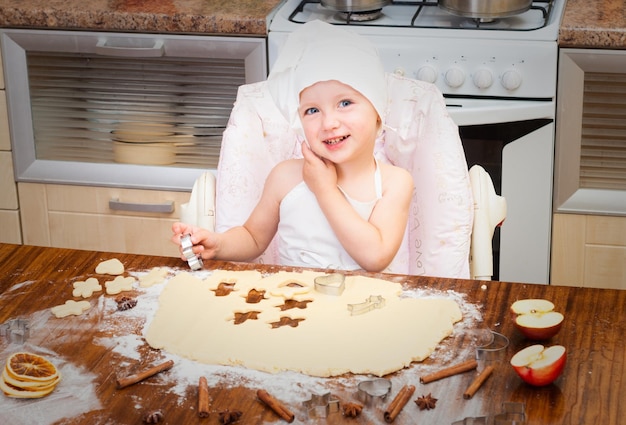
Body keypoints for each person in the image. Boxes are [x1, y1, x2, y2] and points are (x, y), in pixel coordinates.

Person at [171, 21, 414, 273]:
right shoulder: (285, 176)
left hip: (367, 308)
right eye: (312, 110)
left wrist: (324, 190)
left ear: (377, 112)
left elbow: (375, 257)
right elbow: (253, 238)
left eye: (345, 103)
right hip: (293, 305)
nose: (329, 123)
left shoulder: (394, 182)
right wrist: (217, 244)